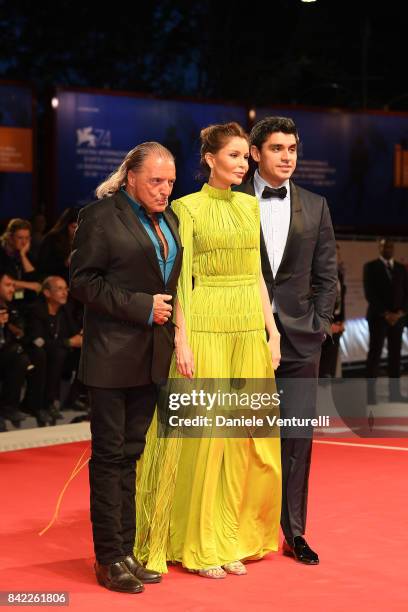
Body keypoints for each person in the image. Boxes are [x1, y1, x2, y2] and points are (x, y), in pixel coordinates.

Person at [135, 122, 282, 579]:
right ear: (211, 159)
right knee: (208, 440)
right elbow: (180, 278)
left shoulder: (249, 206)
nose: (243, 164)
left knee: (242, 440)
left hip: (246, 328)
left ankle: (229, 537)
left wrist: (271, 329)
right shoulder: (186, 208)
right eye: (235, 156)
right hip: (207, 325)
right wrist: (183, 337)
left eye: (245, 157)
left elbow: (256, 273)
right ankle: (198, 543)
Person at [70, 142, 182, 594]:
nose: (164, 190)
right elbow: (82, 282)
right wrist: (141, 307)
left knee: (131, 457)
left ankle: (128, 552)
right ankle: (108, 557)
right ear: (131, 177)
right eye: (156, 181)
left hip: (152, 356)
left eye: (171, 182)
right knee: (110, 458)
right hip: (111, 356)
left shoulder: (170, 219)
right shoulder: (100, 216)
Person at [236, 116, 337, 565]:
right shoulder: (231, 201)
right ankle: (235, 532)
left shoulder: (316, 205)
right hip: (241, 334)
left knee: (296, 439)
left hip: (300, 340)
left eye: (292, 149)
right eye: (277, 148)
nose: (287, 157)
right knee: (239, 436)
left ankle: (293, 533)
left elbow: (327, 275)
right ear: (255, 153)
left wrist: (317, 324)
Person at [24, 276, 84, 425]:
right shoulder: (36, 311)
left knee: (84, 353)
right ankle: (40, 405)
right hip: (35, 352)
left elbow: (74, 331)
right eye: (59, 289)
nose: (65, 293)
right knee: (49, 354)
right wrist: (68, 342)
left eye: (65, 289)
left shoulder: (64, 310)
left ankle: (71, 399)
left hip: (57, 352)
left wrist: (80, 336)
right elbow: (38, 341)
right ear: (47, 293)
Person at [364, 238, 408, 403]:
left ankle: (395, 394)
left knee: (395, 357)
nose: (387, 248)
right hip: (378, 318)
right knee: (374, 356)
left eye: (390, 246)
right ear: (379, 248)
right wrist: (386, 313)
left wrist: (400, 313)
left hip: (398, 319)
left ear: (393, 248)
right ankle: (370, 396)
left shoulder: (401, 268)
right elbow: (370, 294)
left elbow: (406, 293)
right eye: (383, 246)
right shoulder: (370, 267)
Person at [0, 271, 28, 430]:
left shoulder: (11, 308)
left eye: (13, 285)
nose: (12, 289)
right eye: (7, 285)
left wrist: (11, 325)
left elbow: (22, 334)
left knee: (21, 357)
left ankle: (9, 407)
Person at [319, 242, 346, 378]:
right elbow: (314, 304)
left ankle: (328, 397)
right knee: (322, 370)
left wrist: (342, 321)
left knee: (331, 370)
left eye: (337, 254)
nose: (336, 257)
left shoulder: (339, 275)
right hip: (323, 329)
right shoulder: (317, 276)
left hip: (337, 327)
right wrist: (329, 326)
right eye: (332, 254)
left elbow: (341, 302)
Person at [0, 219, 41, 305]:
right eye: (20, 238)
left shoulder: (26, 254)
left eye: (27, 238)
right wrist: (29, 285)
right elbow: (3, 281)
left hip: (22, 299)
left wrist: (23, 255)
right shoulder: (1, 253)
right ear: (10, 237)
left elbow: (35, 281)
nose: (24, 242)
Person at [37, 207, 80, 282]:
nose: (76, 231)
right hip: (54, 282)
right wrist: (65, 263)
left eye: (79, 227)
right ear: (66, 225)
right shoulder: (52, 239)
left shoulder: (83, 240)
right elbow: (43, 266)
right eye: (74, 227)